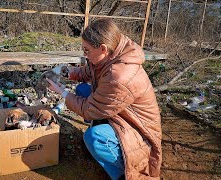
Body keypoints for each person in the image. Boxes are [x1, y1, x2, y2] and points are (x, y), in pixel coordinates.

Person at [46, 18, 162, 180]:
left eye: (86, 51)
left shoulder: (119, 75)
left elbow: (88, 109)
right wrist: (65, 71)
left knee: (94, 137)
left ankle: (122, 173)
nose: (85, 55)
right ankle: (102, 128)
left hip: (138, 128)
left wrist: (62, 92)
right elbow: (89, 72)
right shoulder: (111, 53)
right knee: (82, 89)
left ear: (102, 48)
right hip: (121, 112)